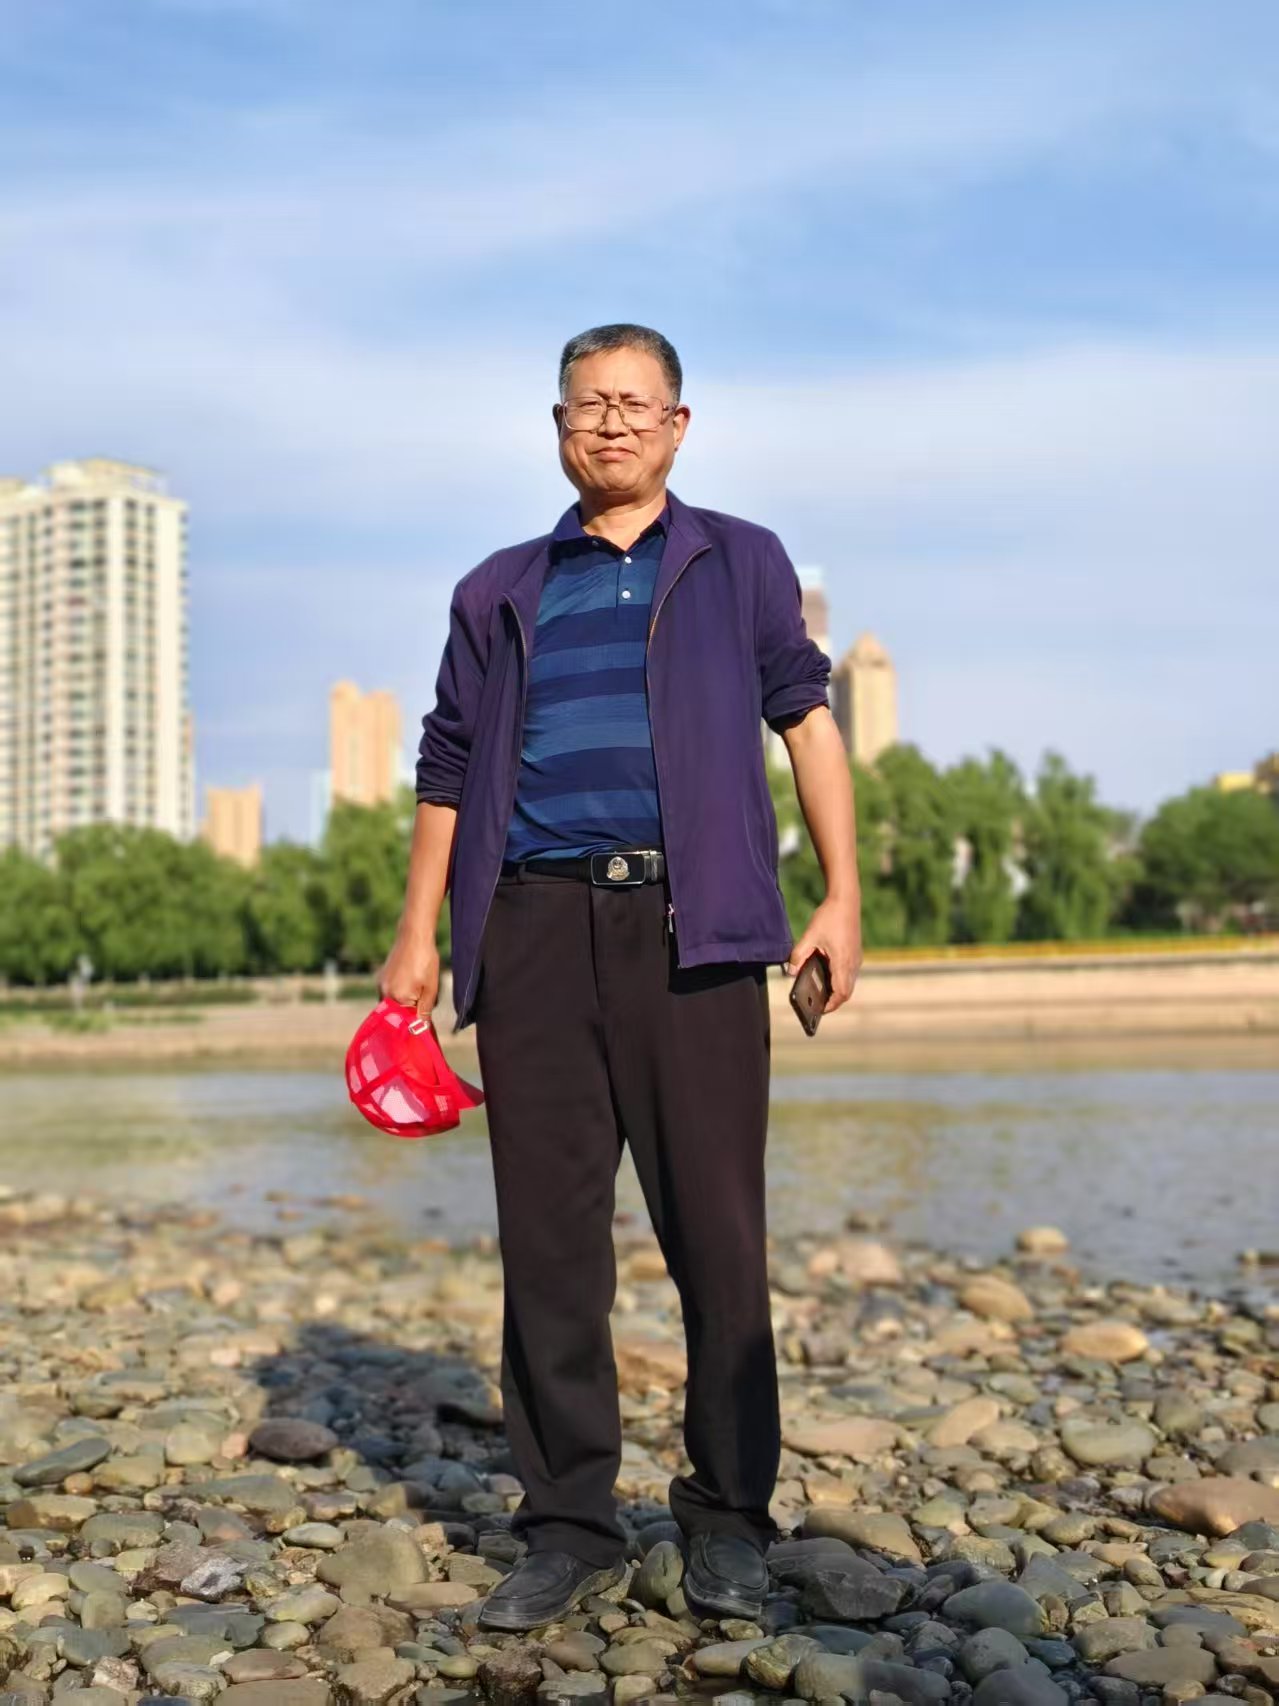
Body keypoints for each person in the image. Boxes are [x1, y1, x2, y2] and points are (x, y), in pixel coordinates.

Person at [379, 323, 862, 1631]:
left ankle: (728, 1518)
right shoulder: (497, 589)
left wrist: (841, 894)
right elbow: (444, 767)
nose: (611, 423)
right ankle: (569, 1527)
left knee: (718, 1234)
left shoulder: (739, 560)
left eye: (635, 404)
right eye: (588, 404)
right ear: (558, 427)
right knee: (548, 1245)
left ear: (679, 426)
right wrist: (420, 936)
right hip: (528, 932)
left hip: (693, 932)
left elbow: (806, 719)